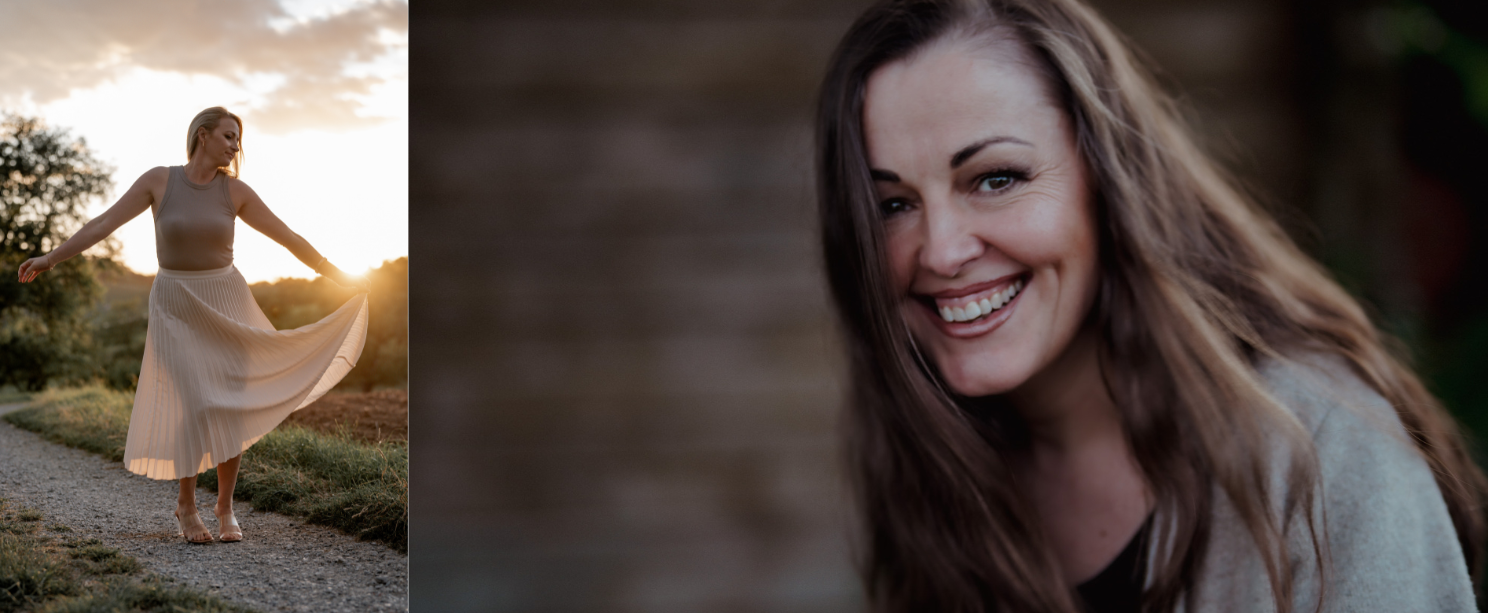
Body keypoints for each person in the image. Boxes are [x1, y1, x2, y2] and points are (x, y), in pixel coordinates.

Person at [814, 0, 1487, 611]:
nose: (940, 250)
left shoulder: (1323, 456)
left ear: (1108, 181)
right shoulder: (930, 467)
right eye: (892, 205)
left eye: (995, 178)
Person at [15, 107, 371, 545]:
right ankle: (186, 503)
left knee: (232, 402)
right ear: (202, 135)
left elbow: (288, 237)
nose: (235, 146)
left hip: (227, 302)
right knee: (197, 402)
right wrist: (51, 259)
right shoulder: (158, 181)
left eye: (238, 139)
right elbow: (104, 223)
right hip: (175, 304)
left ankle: (225, 506)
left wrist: (339, 276)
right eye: (228, 136)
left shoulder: (235, 191)